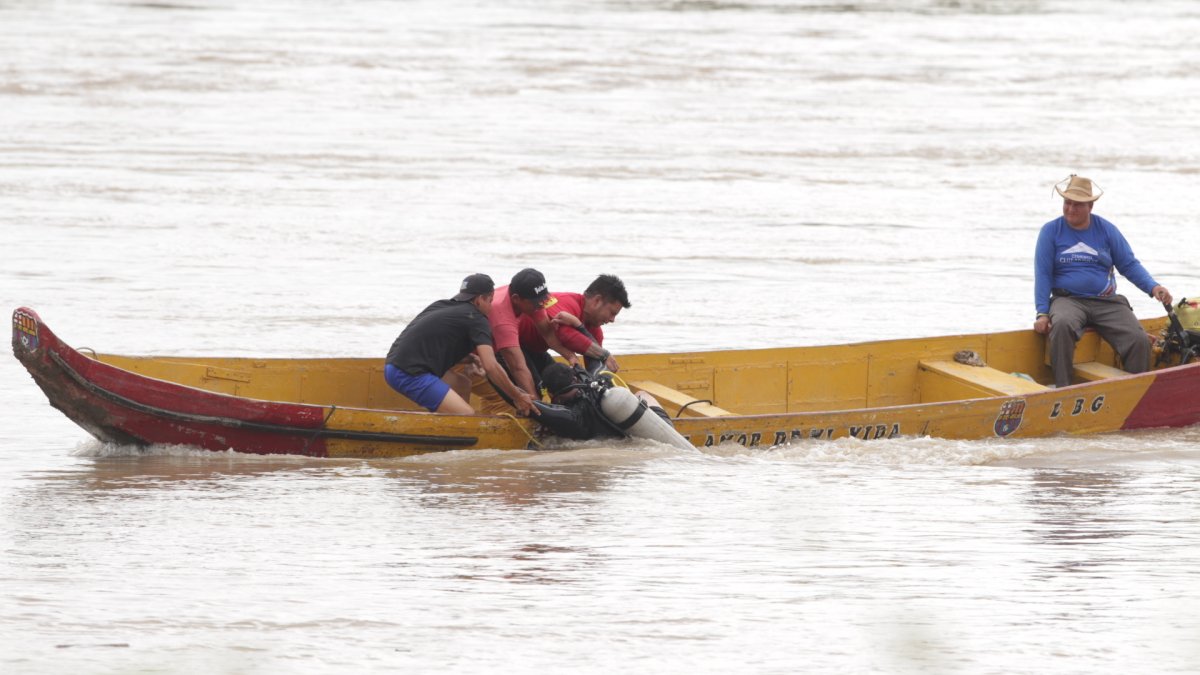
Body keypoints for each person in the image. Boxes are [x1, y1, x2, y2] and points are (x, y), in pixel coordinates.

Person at [1033, 175, 1172, 387]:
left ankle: (1134, 392)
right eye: (1067, 203)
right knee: (1061, 325)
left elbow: (1129, 265)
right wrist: (1042, 312)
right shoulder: (1050, 231)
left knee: (1139, 339)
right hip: (1068, 301)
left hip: (1106, 301)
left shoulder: (1107, 230)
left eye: (1077, 205)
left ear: (1090, 205)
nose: (1070, 209)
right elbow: (1042, 273)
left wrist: (1153, 287)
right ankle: (1063, 389)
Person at [384, 273, 536, 416]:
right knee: (466, 415)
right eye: (490, 301)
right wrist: (517, 396)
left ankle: (447, 434)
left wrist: (470, 358)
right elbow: (491, 366)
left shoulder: (440, 305)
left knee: (461, 384)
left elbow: (433, 344)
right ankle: (445, 436)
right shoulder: (477, 318)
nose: (491, 307)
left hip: (392, 366)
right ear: (480, 300)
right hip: (410, 374)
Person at [517, 274, 631, 391]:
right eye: (612, 313)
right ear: (597, 301)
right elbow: (564, 334)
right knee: (535, 393)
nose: (612, 320)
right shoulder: (567, 302)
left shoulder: (595, 330)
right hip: (511, 346)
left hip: (535, 352)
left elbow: (595, 367)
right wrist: (604, 355)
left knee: (568, 389)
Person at [486, 268, 576, 397]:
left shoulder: (532, 299)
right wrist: (536, 404)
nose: (540, 306)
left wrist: (570, 356)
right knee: (532, 393)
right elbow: (518, 367)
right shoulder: (502, 317)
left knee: (559, 379)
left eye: (542, 301)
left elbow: (548, 333)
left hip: (508, 344)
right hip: (483, 355)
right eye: (536, 303)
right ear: (516, 299)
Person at [532, 362, 671, 441]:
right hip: (655, 432)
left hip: (610, 440)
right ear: (574, 378)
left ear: (549, 393)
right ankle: (671, 430)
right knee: (642, 394)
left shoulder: (572, 417)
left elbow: (533, 407)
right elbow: (599, 361)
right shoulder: (598, 379)